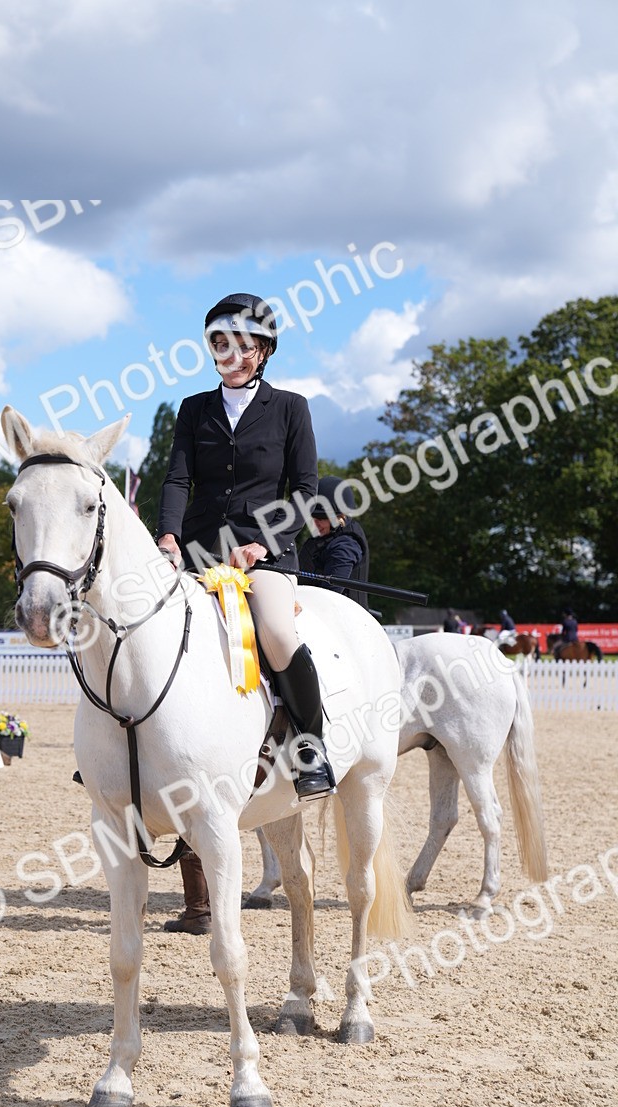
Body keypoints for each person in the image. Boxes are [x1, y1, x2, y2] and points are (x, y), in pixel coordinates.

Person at [156, 292, 331, 933]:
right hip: (197, 552)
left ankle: (310, 748)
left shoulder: (291, 409)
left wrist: (268, 543)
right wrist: (170, 537)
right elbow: (177, 479)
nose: (228, 355)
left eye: (240, 344)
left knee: (279, 634)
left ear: (262, 350)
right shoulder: (194, 409)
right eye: (218, 344)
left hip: (265, 554)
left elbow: (307, 492)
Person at [298, 476, 369, 608]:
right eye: (312, 516)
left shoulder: (345, 547)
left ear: (339, 517)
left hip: (337, 618)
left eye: (321, 517)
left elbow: (329, 596)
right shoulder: (325, 536)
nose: (315, 523)